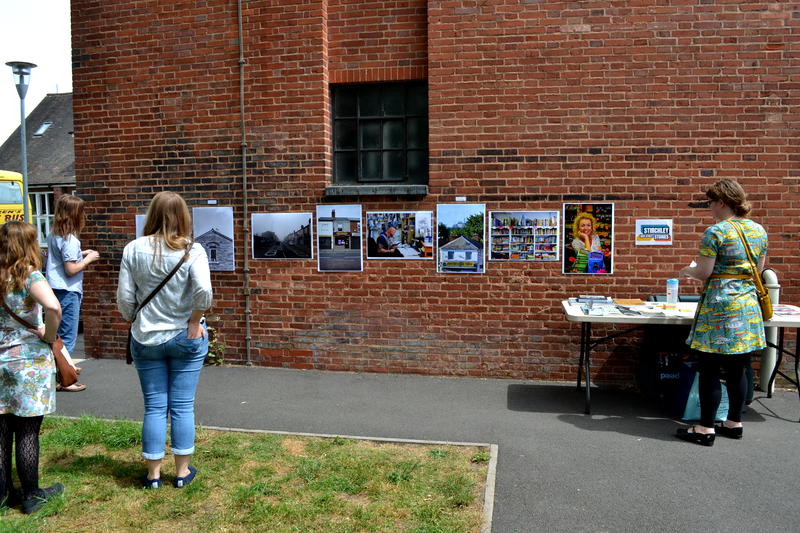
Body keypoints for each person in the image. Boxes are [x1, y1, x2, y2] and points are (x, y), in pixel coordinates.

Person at [117, 192, 212, 488]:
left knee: (155, 407)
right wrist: (195, 320)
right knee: (183, 406)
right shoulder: (192, 250)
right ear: (184, 216)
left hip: (146, 338)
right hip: (186, 335)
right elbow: (204, 293)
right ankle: (182, 473)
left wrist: (134, 316)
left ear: (152, 215)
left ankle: (153, 475)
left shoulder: (133, 249)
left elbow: (124, 299)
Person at [676, 179, 767, 446]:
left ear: (723, 202)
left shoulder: (715, 233)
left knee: (710, 368)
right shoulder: (758, 231)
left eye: (711, 202)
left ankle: (705, 428)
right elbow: (758, 271)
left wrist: (688, 271)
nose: (710, 208)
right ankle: (734, 423)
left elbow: (704, 272)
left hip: (720, 308)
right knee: (739, 368)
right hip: (747, 306)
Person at [0, 221, 65, 513]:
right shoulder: (28, 274)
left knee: (1, 431)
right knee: (27, 430)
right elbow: (53, 307)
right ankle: (32, 495)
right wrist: (49, 335)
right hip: (28, 362)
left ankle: (3, 494)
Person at [46, 195, 100, 392]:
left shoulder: (54, 234)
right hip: (68, 290)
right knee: (68, 335)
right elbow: (70, 269)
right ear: (75, 215)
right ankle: (65, 380)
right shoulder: (70, 240)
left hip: (54, 288)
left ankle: (64, 366)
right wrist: (89, 259)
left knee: (57, 334)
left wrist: (81, 253)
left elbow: (61, 260)